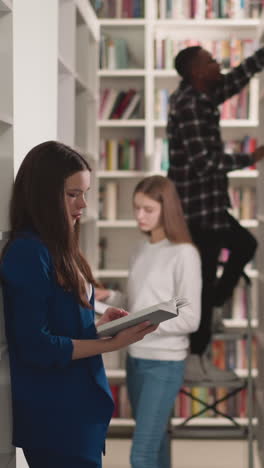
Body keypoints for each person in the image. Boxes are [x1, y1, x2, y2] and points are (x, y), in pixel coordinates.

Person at [0, 141, 157, 468]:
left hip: (77, 407)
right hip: (56, 413)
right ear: (43, 194)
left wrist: (98, 328)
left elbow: (59, 325)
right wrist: (110, 344)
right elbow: (36, 345)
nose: (83, 204)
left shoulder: (58, 246)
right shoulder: (28, 252)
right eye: (73, 194)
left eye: (85, 193)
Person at [166, 45, 264, 382]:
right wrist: (250, 159)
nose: (217, 63)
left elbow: (236, 79)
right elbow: (204, 163)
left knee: (243, 247)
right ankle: (195, 357)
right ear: (196, 72)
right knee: (204, 283)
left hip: (209, 206)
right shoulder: (190, 105)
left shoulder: (202, 95)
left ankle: (216, 309)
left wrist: (259, 56)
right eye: (210, 61)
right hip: (197, 210)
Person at [96, 175, 201, 468]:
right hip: (136, 359)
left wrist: (141, 325)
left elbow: (191, 318)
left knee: (141, 455)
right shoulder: (139, 251)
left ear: (166, 209)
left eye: (148, 209)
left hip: (164, 364)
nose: (139, 216)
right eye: (136, 208)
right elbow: (136, 303)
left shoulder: (185, 254)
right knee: (156, 446)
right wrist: (109, 296)